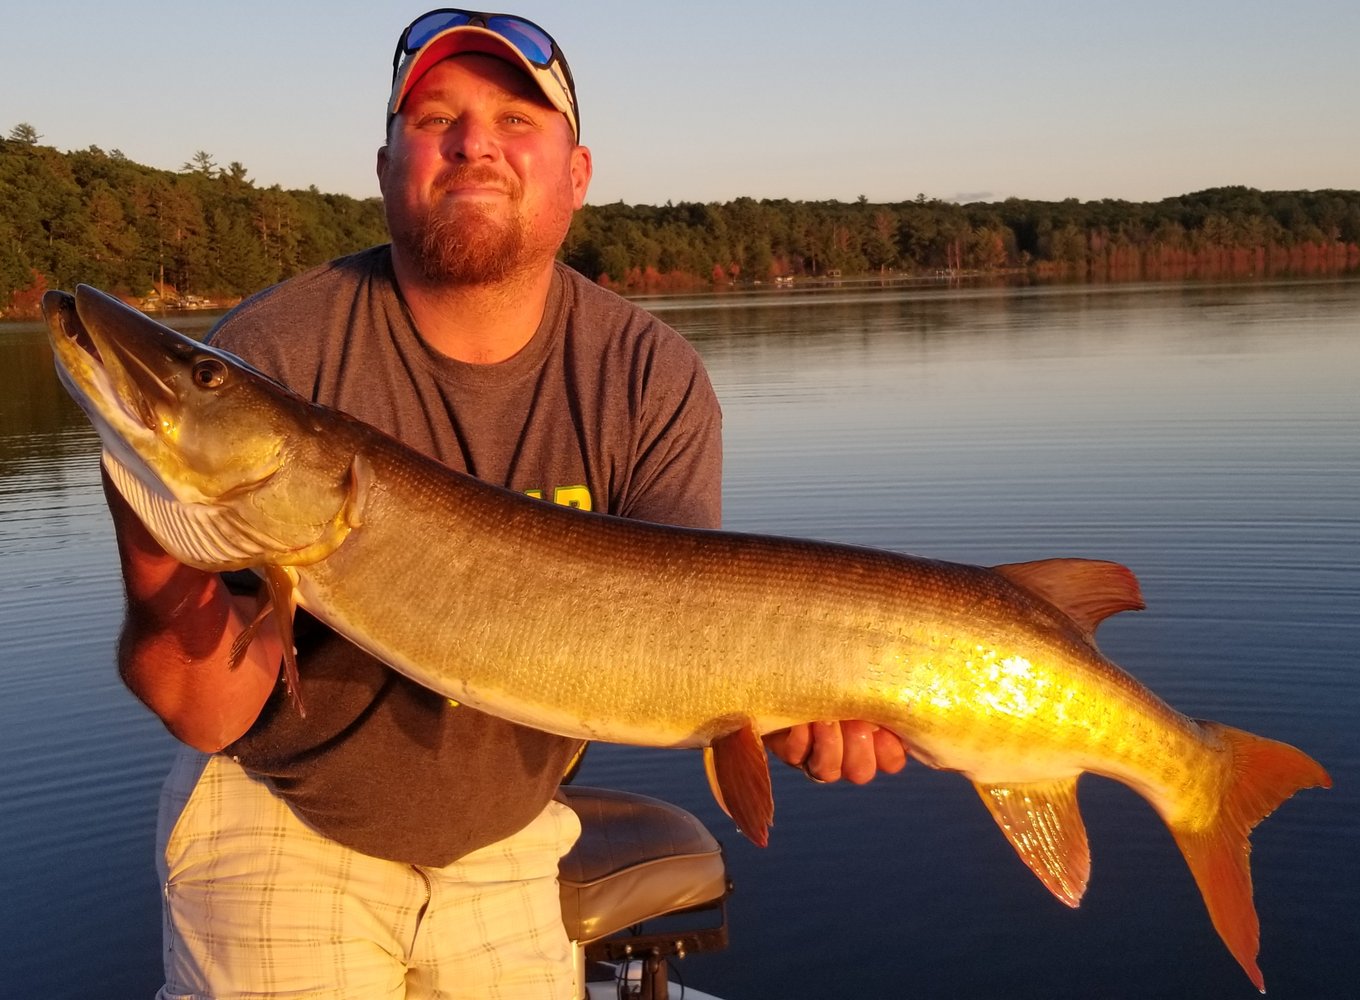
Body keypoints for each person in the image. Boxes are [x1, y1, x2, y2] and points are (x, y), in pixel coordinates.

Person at [105, 9, 906, 999]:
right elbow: (206, 706)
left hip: (509, 835)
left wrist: (797, 709)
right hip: (284, 816)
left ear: (577, 173)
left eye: (515, 119)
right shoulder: (281, 355)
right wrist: (154, 550)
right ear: (388, 163)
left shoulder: (647, 378)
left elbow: (689, 647)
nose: (473, 140)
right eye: (434, 115)